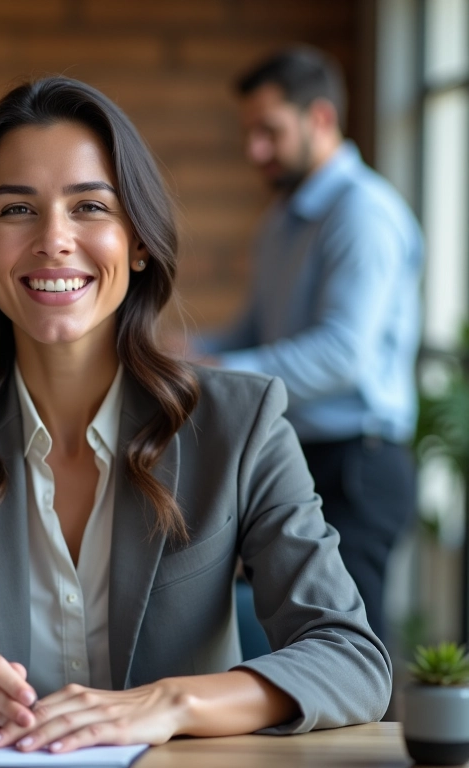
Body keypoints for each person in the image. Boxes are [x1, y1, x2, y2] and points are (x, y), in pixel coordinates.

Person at [0, 76, 391, 752]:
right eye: (16, 210)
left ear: (138, 242)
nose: (54, 241)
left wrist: (171, 703)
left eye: (90, 206)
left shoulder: (241, 423)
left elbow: (350, 656)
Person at [191, 47, 423, 645]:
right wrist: (178, 354)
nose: (254, 151)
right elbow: (253, 334)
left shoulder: (363, 213)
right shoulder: (280, 220)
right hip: (303, 454)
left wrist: (219, 375)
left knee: (350, 649)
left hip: (359, 465)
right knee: (294, 642)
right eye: (248, 133)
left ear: (320, 118)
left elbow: (343, 354)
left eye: (269, 131)